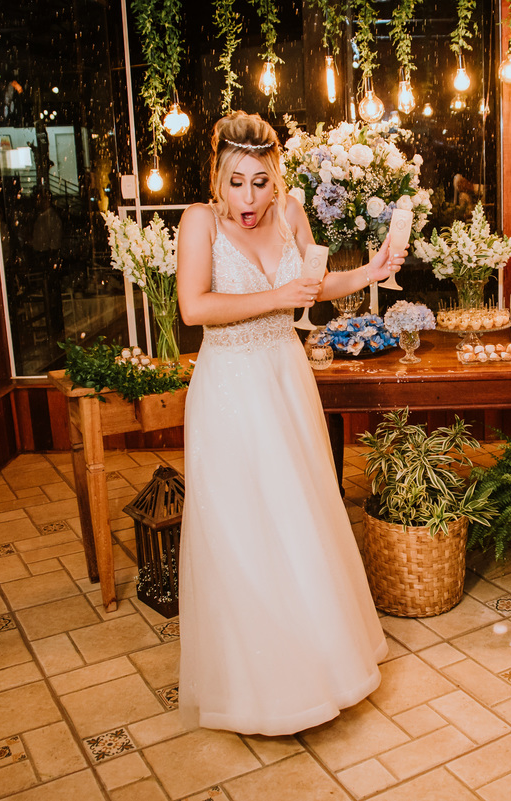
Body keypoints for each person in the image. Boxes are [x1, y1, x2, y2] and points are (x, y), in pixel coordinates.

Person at [175, 111, 403, 735]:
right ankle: (257, 689)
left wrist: (371, 272)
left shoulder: (292, 213)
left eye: (260, 182)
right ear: (217, 177)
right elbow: (195, 306)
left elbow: (315, 284)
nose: (248, 198)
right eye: (235, 182)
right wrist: (279, 297)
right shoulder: (199, 222)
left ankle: (318, 668)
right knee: (241, 530)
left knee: (299, 518)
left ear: (276, 177)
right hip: (228, 388)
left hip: (285, 376)